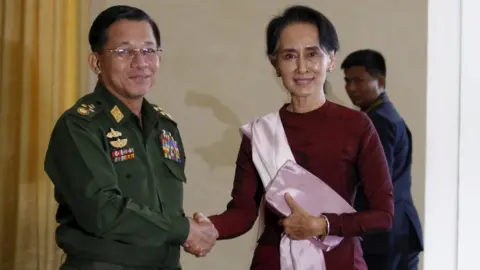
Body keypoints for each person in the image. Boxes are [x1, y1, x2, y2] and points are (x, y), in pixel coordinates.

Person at [185, 5, 394, 270]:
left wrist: (322, 225)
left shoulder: (357, 126)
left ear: (331, 59)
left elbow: (383, 215)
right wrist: (206, 227)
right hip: (274, 261)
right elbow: (242, 213)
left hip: (339, 262)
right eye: (289, 55)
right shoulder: (260, 133)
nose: (302, 67)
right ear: (275, 63)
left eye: (312, 54)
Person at [44, 5, 217, 270]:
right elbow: (102, 212)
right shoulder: (79, 126)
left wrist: (190, 230)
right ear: (96, 61)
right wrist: (183, 230)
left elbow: (162, 207)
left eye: (149, 50)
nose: (140, 62)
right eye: (124, 51)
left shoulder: (164, 126)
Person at [341, 49, 424, 270]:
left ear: (380, 81)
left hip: (384, 236)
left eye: (359, 81)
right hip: (398, 230)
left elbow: (375, 183)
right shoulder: (386, 115)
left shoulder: (378, 121)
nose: (351, 88)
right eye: (347, 81)